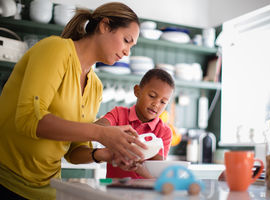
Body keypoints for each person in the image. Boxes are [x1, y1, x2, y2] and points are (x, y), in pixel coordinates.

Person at [0, 2, 147, 200]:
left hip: (48, 189)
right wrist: (101, 132)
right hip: (7, 181)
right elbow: (28, 119)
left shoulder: (95, 86)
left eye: (132, 46)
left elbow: (74, 151)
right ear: (105, 26)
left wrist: (104, 154)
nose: (128, 52)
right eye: (126, 40)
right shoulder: (56, 49)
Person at [95, 68, 175, 179]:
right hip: (114, 190)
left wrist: (137, 165)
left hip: (146, 193)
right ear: (137, 91)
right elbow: (97, 128)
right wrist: (116, 135)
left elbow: (156, 176)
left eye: (163, 102)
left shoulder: (164, 132)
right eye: (152, 96)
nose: (156, 104)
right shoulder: (119, 114)